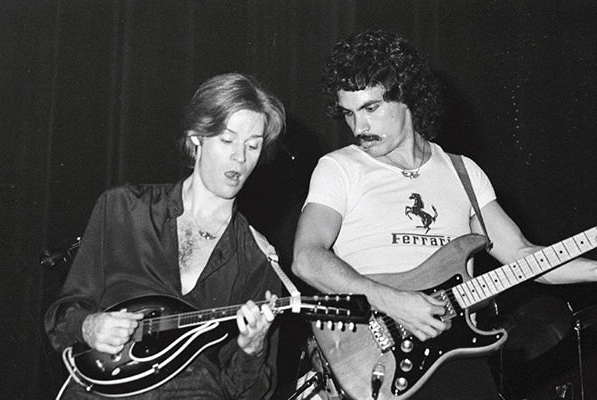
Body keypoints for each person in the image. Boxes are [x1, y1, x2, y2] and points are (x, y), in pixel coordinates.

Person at [291, 29, 597, 400]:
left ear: (405, 94)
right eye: (349, 114)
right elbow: (307, 259)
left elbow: (521, 256)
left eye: (371, 108)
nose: (359, 128)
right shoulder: (339, 168)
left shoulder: (463, 173)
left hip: (454, 354)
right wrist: (390, 300)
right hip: (373, 354)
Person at [45, 72, 286, 399]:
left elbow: (246, 392)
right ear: (197, 137)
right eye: (227, 141)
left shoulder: (259, 258)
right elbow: (63, 313)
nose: (240, 158)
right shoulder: (124, 209)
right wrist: (89, 326)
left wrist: (252, 349)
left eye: (253, 145)